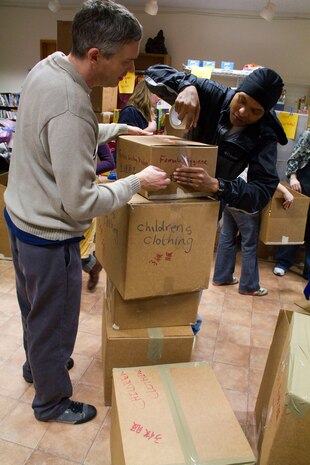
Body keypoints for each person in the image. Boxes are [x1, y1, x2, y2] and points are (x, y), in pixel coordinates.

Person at [4, 0, 170, 425]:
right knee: (54, 324)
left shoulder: (50, 68)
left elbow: (62, 133)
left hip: (20, 218)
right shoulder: (72, 103)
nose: (128, 72)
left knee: (34, 311)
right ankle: (52, 401)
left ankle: (37, 369)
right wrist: (137, 183)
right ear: (96, 54)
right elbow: (81, 202)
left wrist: (120, 128)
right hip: (48, 235)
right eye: (126, 62)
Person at [144, 65, 287, 214]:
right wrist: (186, 86)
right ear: (237, 92)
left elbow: (262, 192)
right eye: (242, 100)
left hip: (208, 208)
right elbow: (152, 72)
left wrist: (217, 185)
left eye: (255, 111)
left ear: (264, 114)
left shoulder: (264, 134)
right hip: (167, 188)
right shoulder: (212, 94)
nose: (243, 112)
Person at [213, 173, 294, 296]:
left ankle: (221, 277)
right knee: (249, 245)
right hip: (246, 202)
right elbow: (266, 176)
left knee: (227, 238)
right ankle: (249, 286)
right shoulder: (258, 154)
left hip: (229, 196)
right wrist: (285, 192)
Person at [273, 129, 310, 279]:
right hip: (304, 185)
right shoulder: (308, 134)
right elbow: (294, 158)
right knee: (295, 224)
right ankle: (282, 262)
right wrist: (293, 177)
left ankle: (308, 270)